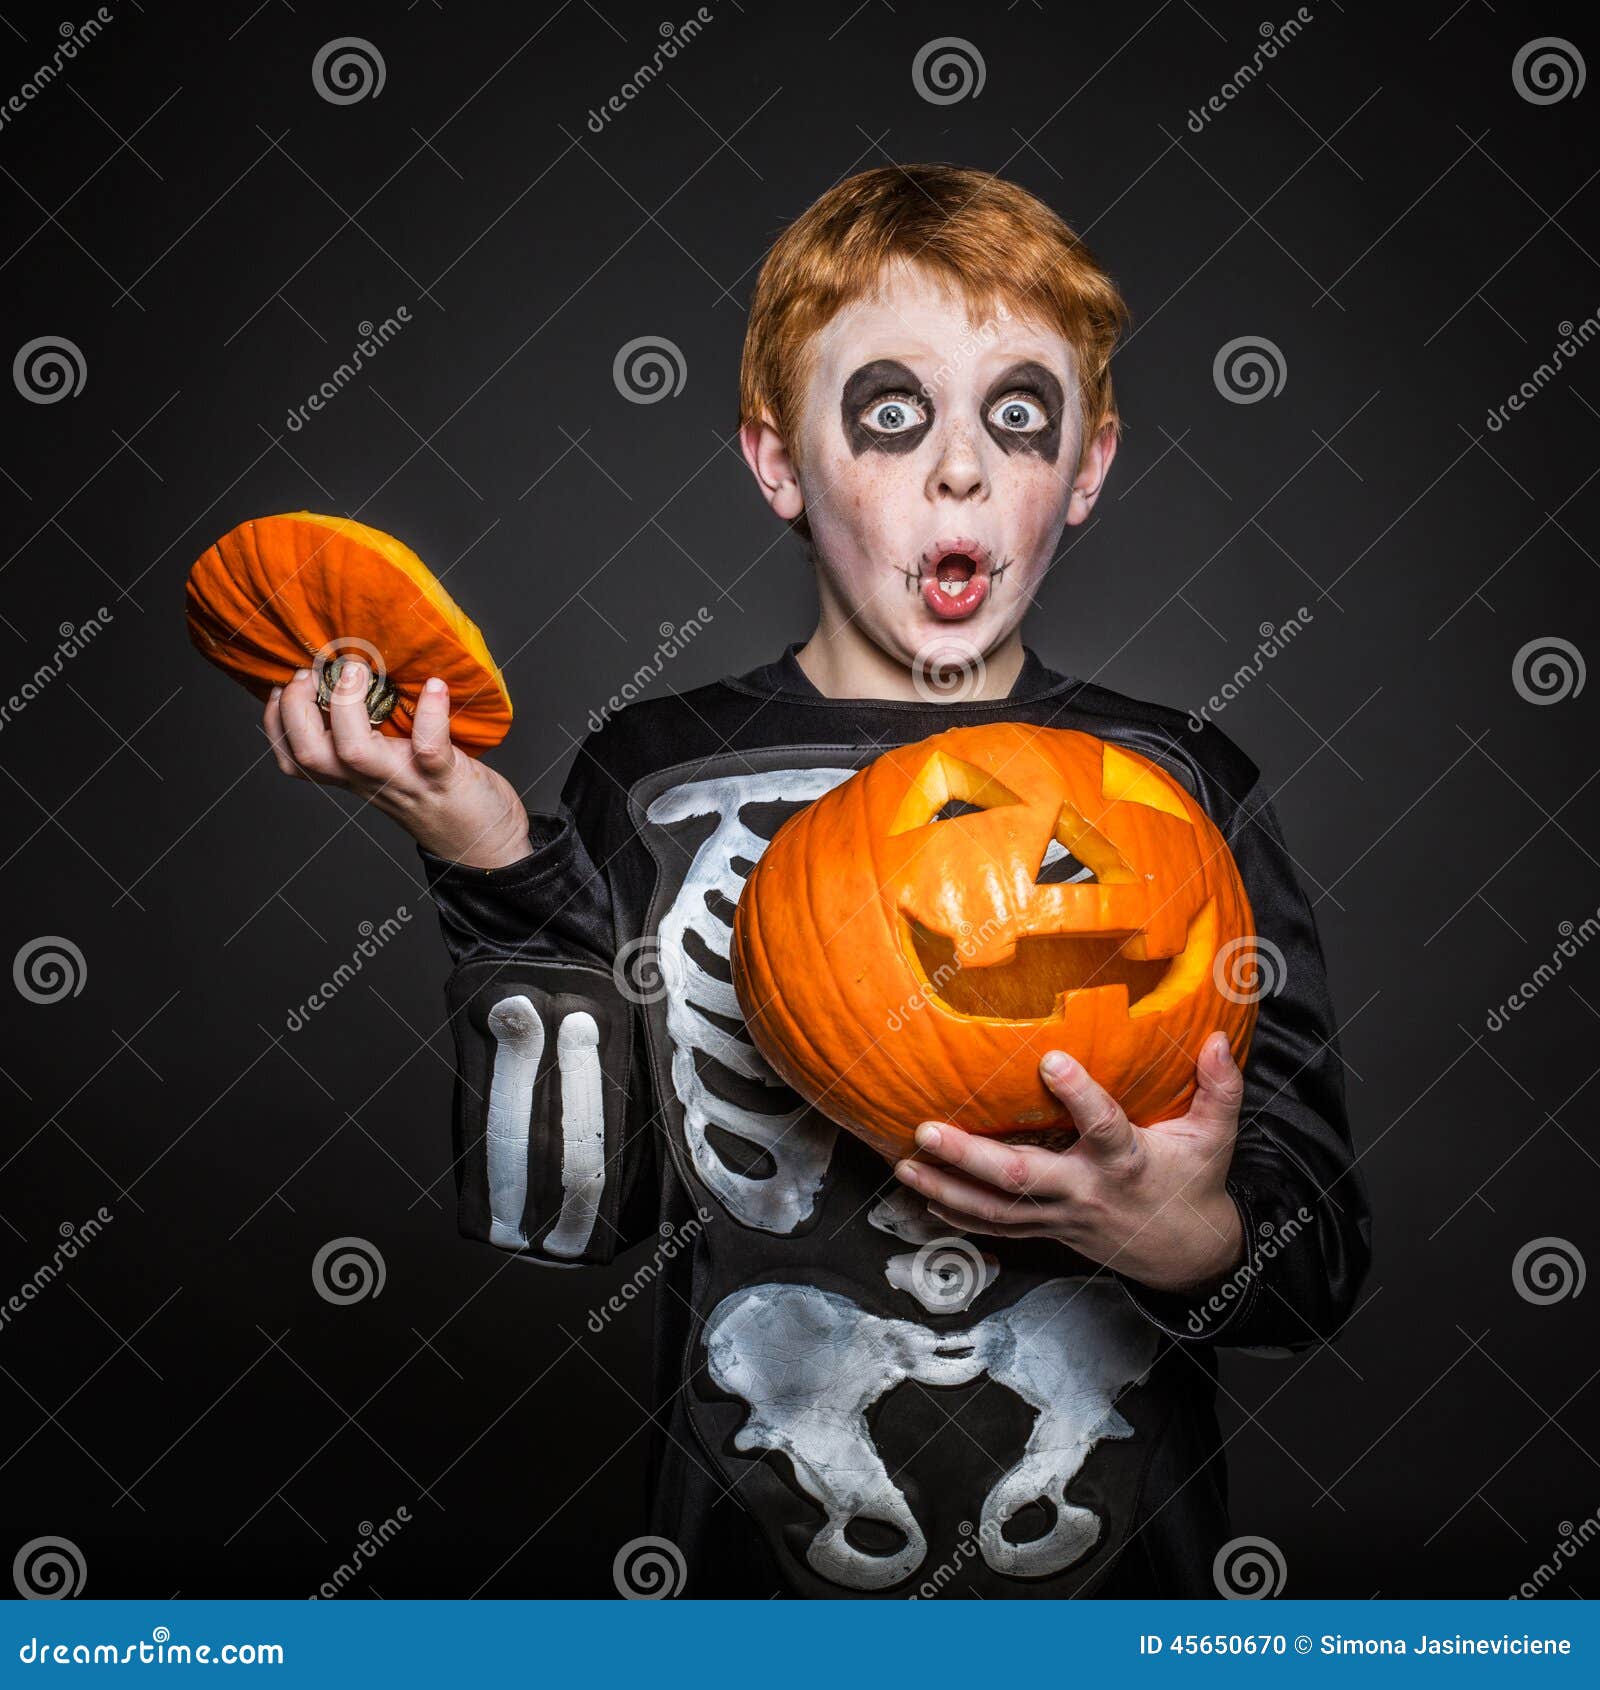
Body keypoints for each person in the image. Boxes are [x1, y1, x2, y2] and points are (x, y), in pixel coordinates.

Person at [261, 163, 1372, 1598]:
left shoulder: (1181, 781)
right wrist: (485, 854)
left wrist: (1186, 1234)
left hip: (1128, 1592)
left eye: (1017, 415)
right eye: (894, 413)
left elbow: (1317, 1251)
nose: (959, 466)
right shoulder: (653, 777)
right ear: (781, 460)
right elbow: (576, 1210)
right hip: (746, 1587)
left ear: (1086, 468)